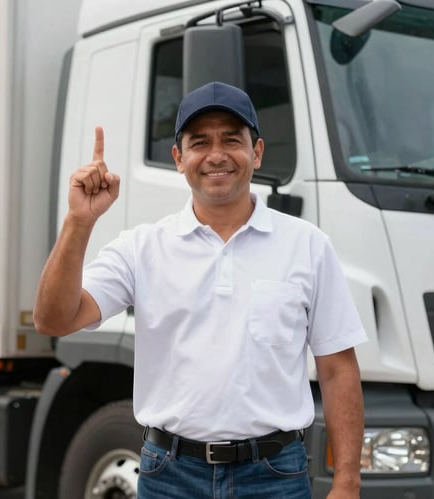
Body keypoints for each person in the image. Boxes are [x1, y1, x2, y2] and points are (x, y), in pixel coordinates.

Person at [34, 81, 367, 498]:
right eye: (199, 142)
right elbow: (53, 319)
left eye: (232, 139)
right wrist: (78, 221)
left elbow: (338, 370)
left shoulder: (308, 246)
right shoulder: (142, 247)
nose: (216, 155)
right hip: (171, 475)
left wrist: (348, 482)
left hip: (274, 476)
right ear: (179, 158)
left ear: (257, 152)